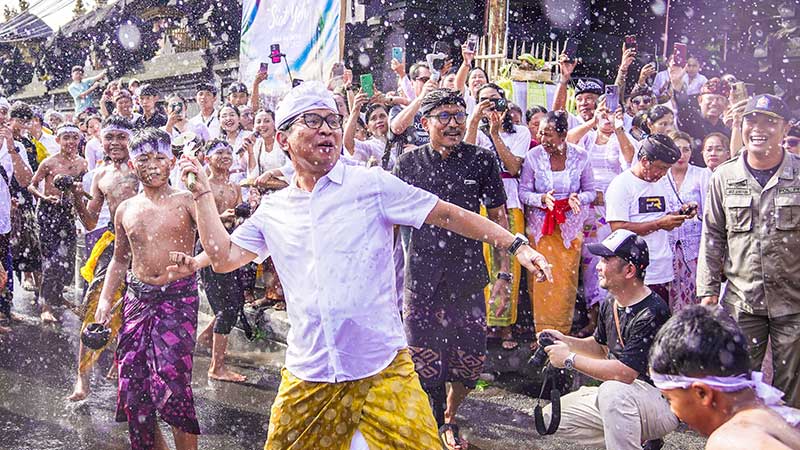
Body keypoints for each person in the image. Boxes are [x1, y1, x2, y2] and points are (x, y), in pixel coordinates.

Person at [172, 81, 552, 450]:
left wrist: (514, 243)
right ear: (284, 139)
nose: (328, 129)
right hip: (309, 374)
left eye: (333, 121)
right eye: (313, 120)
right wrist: (203, 196)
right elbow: (222, 259)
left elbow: (447, 215)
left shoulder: (371, 185)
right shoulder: (273, 210)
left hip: (382, 369)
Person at [94, 128, 201, 450]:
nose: (152, 165)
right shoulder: (125, 208)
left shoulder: (187, 201)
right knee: (134, 386)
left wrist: (196, 262)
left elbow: (217, 246)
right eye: (143, 158)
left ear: (171, 161)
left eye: (159, 157)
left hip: (177, 298)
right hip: (136, 299)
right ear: (131, 164)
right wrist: (103, 301)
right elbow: (119, 260)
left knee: (173, 382)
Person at [698, 94, 800, 408]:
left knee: (792, 390)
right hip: (742, 301)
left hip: (794, 302)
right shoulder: (724, 177)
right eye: (752, 120)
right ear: (741, 126)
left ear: (785, 129)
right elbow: (712, 235)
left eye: (770, 122)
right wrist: (707, 291)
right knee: (736, 385)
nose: (759, 128)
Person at [540, 229, 678, 450]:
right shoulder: (610, 302)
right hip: (624, 398)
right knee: (551, 419)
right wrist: (564, 340)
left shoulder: (653, 312)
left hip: (659, 404)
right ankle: (632, 440)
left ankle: (636, 437)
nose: (598, 266)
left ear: (630, 270)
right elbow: (600, 347)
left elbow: (625, 373)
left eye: (605, 259)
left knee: (612, 391)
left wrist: (569, 359)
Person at [649, 306, 800, 449]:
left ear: (702, 393)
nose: (673, 411)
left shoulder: (732, 439)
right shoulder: (779, 416)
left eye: (669, 399)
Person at [69, 115, 137, 401]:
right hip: (115, 243)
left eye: (121, 137)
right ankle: (82, 379)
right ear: (101, 141)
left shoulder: (145, 167)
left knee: (135, 309)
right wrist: (75, 197)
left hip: (147, 243)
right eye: (109, 137)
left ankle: (123, 365)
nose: (115, 143)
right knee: (94, 307)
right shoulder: (99, 175)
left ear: (131, 138)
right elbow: (89, 221)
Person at [464, 83, 532, 349]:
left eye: (494, 101)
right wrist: (475, 121)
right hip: (480, 203)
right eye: (484, 101)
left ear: (504, 103)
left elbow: (514, 167)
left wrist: (495, 133)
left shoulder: (521, 132)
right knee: (483, 265)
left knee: (509, 265)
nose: (490, 106)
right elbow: (465, 157)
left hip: (510, 202)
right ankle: (484, 324)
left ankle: (505, 327)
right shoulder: (475, 132)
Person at [519, 110, 596, 336]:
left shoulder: (581, 156)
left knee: (564, 283)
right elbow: (524, 192)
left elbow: (590, 191)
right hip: (541, 227)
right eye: (541, 134)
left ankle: (561, 333)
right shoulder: (533, 156)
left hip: (569, 229)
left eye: (549, 135)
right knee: (542, 278)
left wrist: (577, 199)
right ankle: (541, 334)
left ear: (563, 135)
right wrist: (542, 199)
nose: (544, 140)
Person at [605, 134, 691, 301]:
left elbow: (659, 217)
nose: (663, 173)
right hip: (633, 271)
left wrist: (679, 215)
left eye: (667, 169)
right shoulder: (621, 185)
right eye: (661, 168)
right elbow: (618, 229)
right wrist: (658, 224)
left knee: (660, 322)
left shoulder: (661, 182)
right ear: (645, 161)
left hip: (661, 267)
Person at [194, 139, 247, 383]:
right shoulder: (202, 184)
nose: (225, 156)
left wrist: (238, 218)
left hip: (230, 247)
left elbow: (237, 217)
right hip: (209, 249)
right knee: (225, 309)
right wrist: (217, 218)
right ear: (207, 159)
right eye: (219, 153)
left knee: (236, 302)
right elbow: (195, 217)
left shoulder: (235, 186)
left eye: (228, 152)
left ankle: (206, 338)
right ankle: (217, 367)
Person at [27, 124, 88, 323]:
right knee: (50, 260)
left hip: (67, 213)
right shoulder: (49, 163)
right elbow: (32, 185)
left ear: (79, 140)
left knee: (67, 260)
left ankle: (58, 296)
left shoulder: (82, 163)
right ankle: (45, 305)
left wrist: (82, 204)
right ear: (57, 140)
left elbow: (82, 190)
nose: (70, 142)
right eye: (66, 138)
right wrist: (44, 197)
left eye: (74, 137)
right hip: (48, 213)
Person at [663, 131, 707, 313]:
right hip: (666, 246)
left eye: (686, 149)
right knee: (667, 294)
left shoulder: (702, 175)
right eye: (677, 149)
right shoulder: (660, 176)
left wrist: (695, 212)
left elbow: (710, 215)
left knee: (694, 294)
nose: (682, 154)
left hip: (694, 247)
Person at [0, 97, 33, 331]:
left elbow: (25, 179)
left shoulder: (17, 146)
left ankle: (4, 310)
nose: (0, 116)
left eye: (3, 112)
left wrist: (11, 147)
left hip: (2, 217)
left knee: (4, 264)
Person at [674, 75, 732, 163]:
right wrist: (677, 85)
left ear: (726, 104)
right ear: (700, 100)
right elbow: (683, 106)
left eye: (719, 99)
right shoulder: (691, 119)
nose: (714, 103)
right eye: (710, 99)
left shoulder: (726, 128)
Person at [552, 51, 603, 130]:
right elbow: (557, 112)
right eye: (579, 99)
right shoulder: (574, 122)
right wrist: (564, 78)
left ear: (599, 102)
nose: (583, 103)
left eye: (589, 98)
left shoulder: (608, 124)